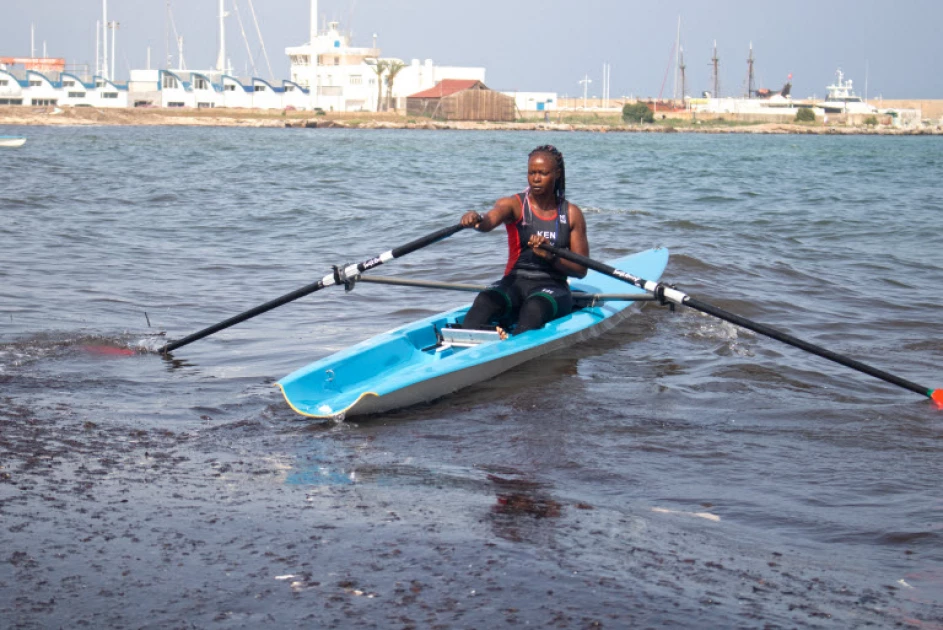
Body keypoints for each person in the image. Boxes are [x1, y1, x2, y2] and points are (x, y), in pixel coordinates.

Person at [459, 145, 589, 336]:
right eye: (531, 173)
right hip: (514, 282)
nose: (536, 179)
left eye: (543, 173)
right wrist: (477, 219)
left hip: (553, 287)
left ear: (557, 174)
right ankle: (472, 342)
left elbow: (581, 270)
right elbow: (489, 221)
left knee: (533, 308)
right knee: (484, 301)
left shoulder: (571, 214)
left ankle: (511, 343)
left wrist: (550, 256)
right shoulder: (514, 205)